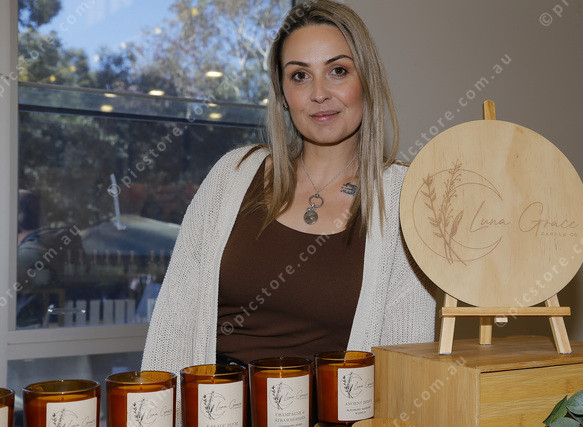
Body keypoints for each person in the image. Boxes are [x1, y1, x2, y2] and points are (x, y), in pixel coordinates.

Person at [142, 0, 436, 376]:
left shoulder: (406, 200)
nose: (319, 93)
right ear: (282, 94)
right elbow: (173, 323)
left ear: (367, 80)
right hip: (214, 402)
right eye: (300, 76)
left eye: (338, 71)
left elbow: (405, 358)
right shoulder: (233, 175)